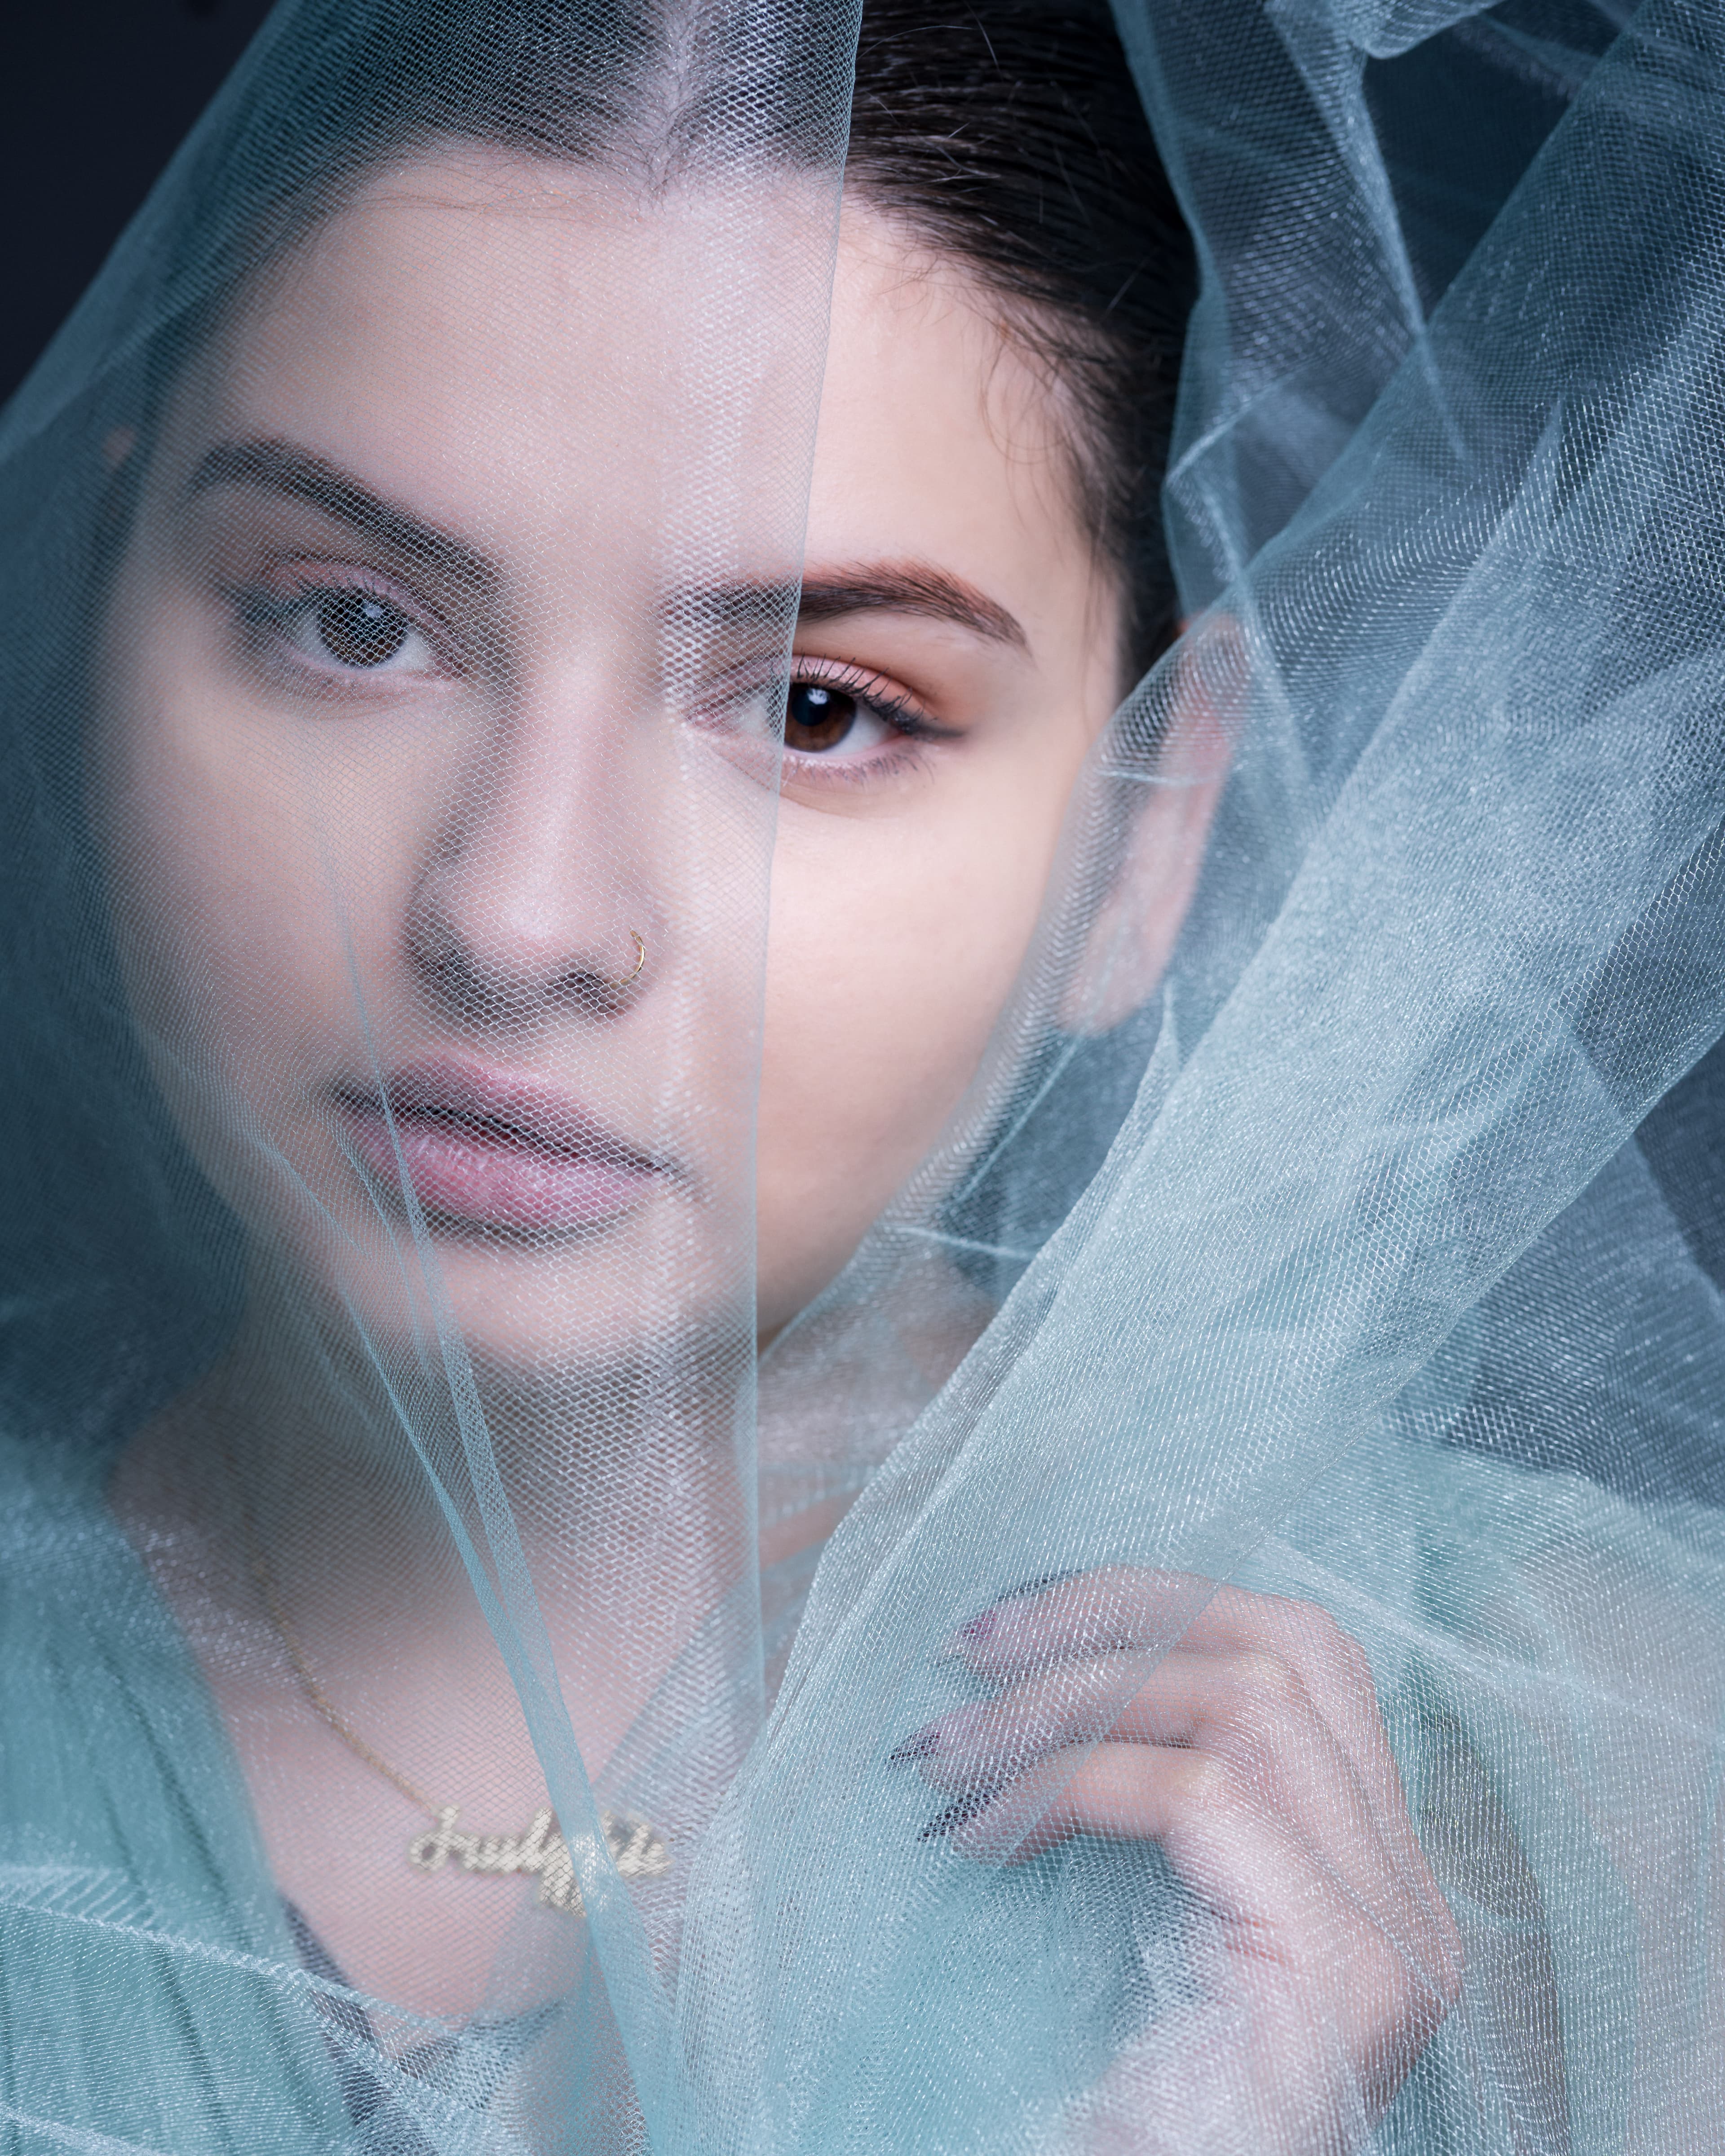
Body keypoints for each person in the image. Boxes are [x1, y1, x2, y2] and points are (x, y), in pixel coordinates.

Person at [3, 0, 1722, 2152]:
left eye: (820, 710)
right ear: (102, 606)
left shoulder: (1627, 1768)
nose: (521, 918)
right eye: (354, 623)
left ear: (1149, 825)